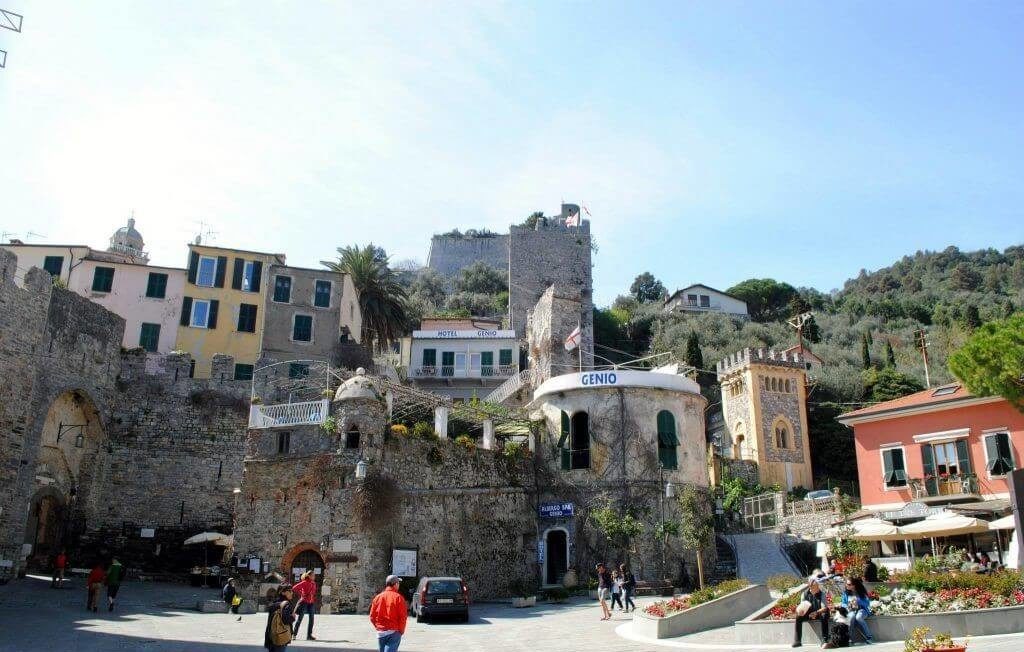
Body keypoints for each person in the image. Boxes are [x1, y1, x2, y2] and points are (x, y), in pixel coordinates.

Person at [369, 575, 408, 652]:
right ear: (395, 584)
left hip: (381, 632)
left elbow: (372, 616)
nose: (399, 585)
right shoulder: (398, 597)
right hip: (394, 631)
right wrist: (401, 631)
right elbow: (403, 617)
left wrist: (378, 626)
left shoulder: (378, 597)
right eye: (398, 583)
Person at [793, 578, 830, 648]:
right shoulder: (804, 594)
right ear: (810, 586)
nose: (817, 588)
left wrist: (816, 612)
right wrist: (801, 612)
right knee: (798, 617)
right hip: (809, 613)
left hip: (819, 612)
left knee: (824, 615)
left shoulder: (822, 594)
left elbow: (824, 607)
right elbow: (802, 607)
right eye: (814, 586)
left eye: (817, 586)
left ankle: (825, 639)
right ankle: (797, 641)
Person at [840, 577, 873, 644]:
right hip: (851, 610)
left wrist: (858, 601)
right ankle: (849, 638)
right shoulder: (845, 593)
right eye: (846, 584)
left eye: (849, 584)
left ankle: (869, 637)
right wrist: (847, 605)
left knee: (859, 617)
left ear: (854, 585)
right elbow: (843, 603)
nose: (847, 585)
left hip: (862, 610)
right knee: (851, 617)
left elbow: (867, 603)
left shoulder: (861, 592)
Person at [264, 584, 296, 651]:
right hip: (281, 636)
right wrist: (293, 617)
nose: (292, 593)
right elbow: (286, 620)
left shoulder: (274, 602)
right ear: (283, 592)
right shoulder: (286, 604)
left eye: (292, 591)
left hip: (271, 636)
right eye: (289, 591)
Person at [291, 571, 317, 640]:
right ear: (309, 576)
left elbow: (313, 593)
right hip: (304, 602)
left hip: (311, 603)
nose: (314, 576)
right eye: (313, 575)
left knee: (312, 619)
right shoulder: (304, 582)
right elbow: (294, 588)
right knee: (300, 618)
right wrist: (302, 593)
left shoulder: (314, 583)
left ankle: (309, 635)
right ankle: (294, 634)